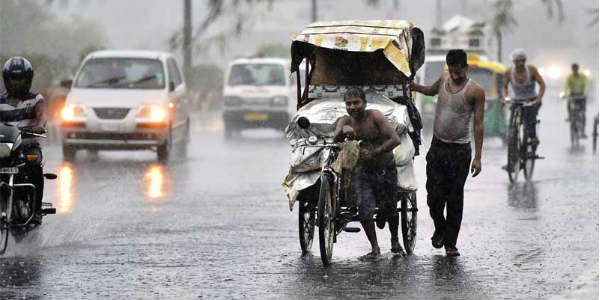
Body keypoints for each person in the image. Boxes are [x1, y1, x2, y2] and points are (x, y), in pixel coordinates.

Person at [410, 49, 485, 257]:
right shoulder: (444, 77)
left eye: (458, 72)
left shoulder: (476, 91)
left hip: (460, 151)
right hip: (437, 147)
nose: (455, 76)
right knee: (433, 197)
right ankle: (440, 227)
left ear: (466, 68)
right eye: (452, 72)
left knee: (454, 198)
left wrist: (478, 157)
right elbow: (431, 91)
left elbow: (478, 125)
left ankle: (450, 243)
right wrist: (414, 86)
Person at [333, 87, 402, 260]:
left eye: (356, 102)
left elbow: (395, 139)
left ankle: (395, 240)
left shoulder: (375, 116)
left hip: (385, 169)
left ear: (364, 103)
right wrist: (343, 132)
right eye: (348, 103)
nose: (353, 107)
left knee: (390, 208)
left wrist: (375, 152)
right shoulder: (345, 120)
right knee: (364, 209)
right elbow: (335, 141)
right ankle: (375, 248)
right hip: (362, 171)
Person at [1, 57, 46, 224]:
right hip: (5, 146)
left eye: (20, 79)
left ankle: (36, 210)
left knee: (34, 164)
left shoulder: (36, 99)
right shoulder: (1, 101)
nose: (16, 83)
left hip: (28, 145)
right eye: (13, 79)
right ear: (7, 79)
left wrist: (40, 126)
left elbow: (42, 117)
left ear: (28, 79)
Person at [501, 48, 546, 145]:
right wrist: (505, 97)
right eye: (518, 61)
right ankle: (512, 135)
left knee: (530, 119)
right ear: (514, 62)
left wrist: (538, 99)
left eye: (523, 61)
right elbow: (504, 87)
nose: (521, 63)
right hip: (517, 100)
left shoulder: (532, 70)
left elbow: (542, 84)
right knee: (513, 121)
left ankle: (532, 136)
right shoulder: (509, 72)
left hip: (531, 100)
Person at [561, 63, 590, 136]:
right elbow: (565, 86)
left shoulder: (583, 77)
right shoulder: (569, 77)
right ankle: (570, 116)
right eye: (573, 69)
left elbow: (587, 85)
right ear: (572, 69)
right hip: (573, 95)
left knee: (583, 113)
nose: (575, 71)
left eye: (576, 69)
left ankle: (583, 130)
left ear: (578, 69)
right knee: (569, 103)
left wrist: (585, 93)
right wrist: (564, 94)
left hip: (581, 95)